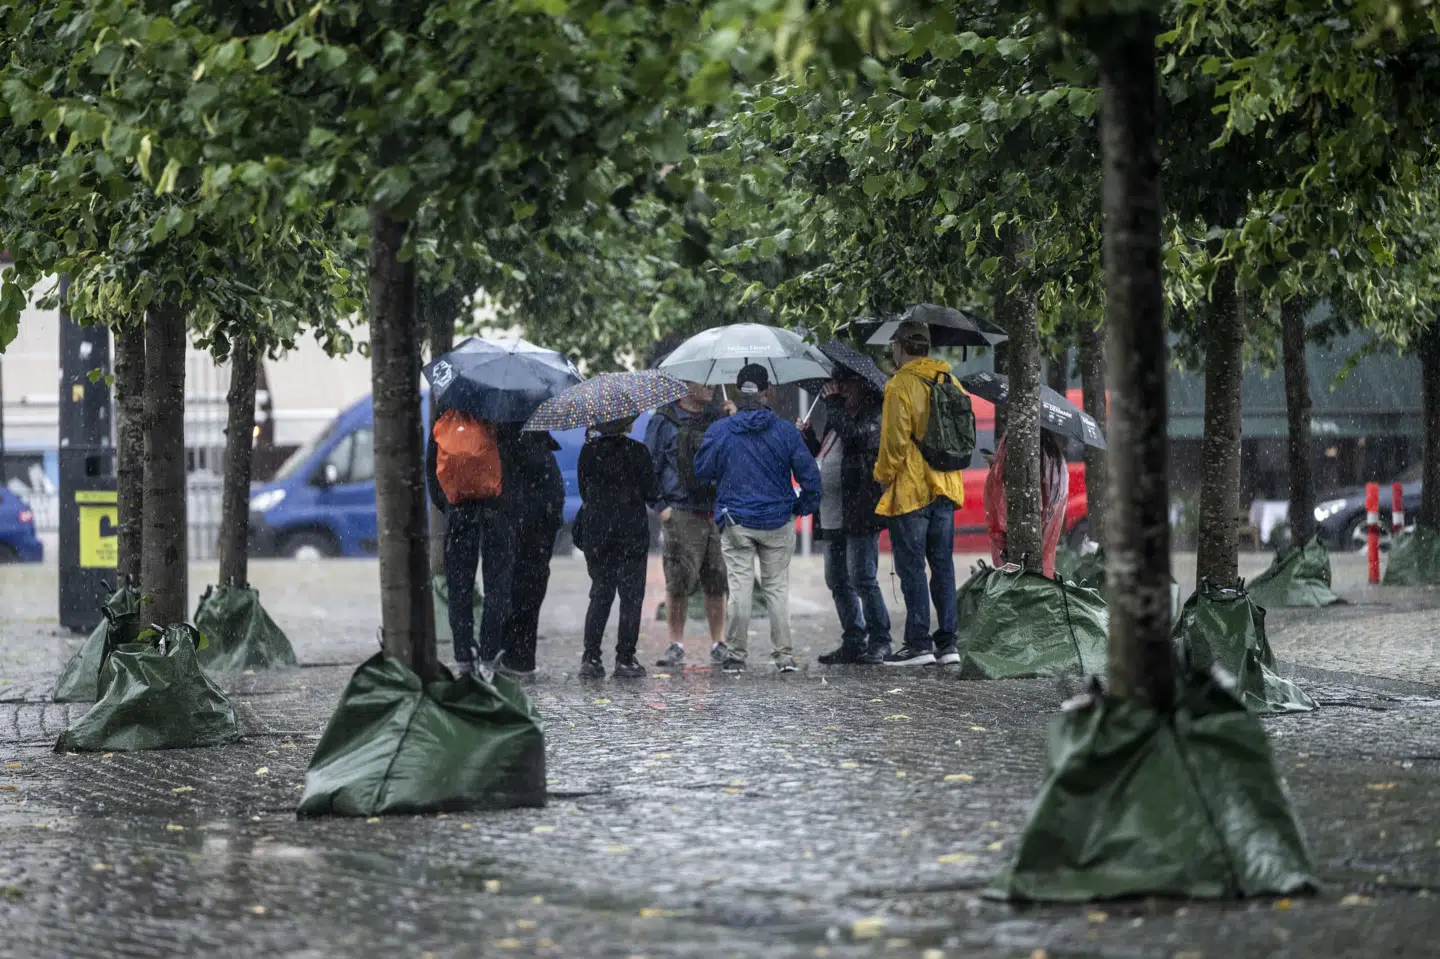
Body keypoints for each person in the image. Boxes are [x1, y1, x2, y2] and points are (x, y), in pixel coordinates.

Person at [694, 364, 822, 672]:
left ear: (738, 391)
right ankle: (784, 656)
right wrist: (800, 507)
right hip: (778, 520)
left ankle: (736, 655)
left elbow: (701, 471)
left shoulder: (721, 430)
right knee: (776, 589)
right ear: (768, 392)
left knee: (738, 590)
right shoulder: (785, 431)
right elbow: (811, 479)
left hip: (736, 521)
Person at [873, 320, 969, 667]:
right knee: (942, 566)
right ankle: (949, 644)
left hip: (912, 489)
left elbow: (895, 443)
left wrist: (882, 477)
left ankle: (918, 643)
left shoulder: (900, 384)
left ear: (900, 347)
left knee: (912, 567)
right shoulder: (950, 380)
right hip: (946, 486)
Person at [800, 373, 891, 665]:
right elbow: (826, 456)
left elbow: (856, 439)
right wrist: (808, 438)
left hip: (860, 509)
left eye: (846, 383)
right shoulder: (837, 415)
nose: (839, 388)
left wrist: (835, 404)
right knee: (836, 578)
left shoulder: (874, 414)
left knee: (862, 576)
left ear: (862, 385)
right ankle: (853, 638)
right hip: (831, 511)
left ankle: (880, 640)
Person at [644, 380, 730, 667]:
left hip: (715, 510)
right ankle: (675, 644)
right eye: (704, 382)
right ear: (685, 385)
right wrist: (661, 507)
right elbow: (649, 466)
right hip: (679, 511)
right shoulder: (664, 420)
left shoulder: (719, 417)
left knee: (717, 580)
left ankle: (719, 643)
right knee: (678, 581)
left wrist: (735, 421)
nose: (712, 386)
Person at [426, 404, 515, 676]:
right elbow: (512, 469)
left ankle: (464, 656)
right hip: (495, 513)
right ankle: (489, 656)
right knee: (497, 587)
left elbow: (433, 474)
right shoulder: (499, 419)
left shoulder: (443, 423)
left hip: (460, 514)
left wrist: (450, 505)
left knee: (459, 589)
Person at [575, 416, 660, 679]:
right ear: (626, 424)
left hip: (598, 532)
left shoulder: (589, 451)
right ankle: (625, 658)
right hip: (631, 532)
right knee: (631, 597)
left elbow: (583, 490)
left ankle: (591, 658)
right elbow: (652, 492)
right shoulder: (638, 452)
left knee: (600, 593)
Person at [494, 423, 565, 675]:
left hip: (513, 528)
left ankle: (502, 653)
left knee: (507, 588)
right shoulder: (535, 445)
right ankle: (519, 657)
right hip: (531, 531)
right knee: (527, 591)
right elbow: (554, 495)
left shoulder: (499, 441)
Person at [984, 430, 1070, 577]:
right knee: (1039, 566)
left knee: (1021, 569)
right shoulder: (1053, 453)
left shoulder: (1021, 439)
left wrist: (997, 465)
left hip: (1023, 526)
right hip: (1038, 525)